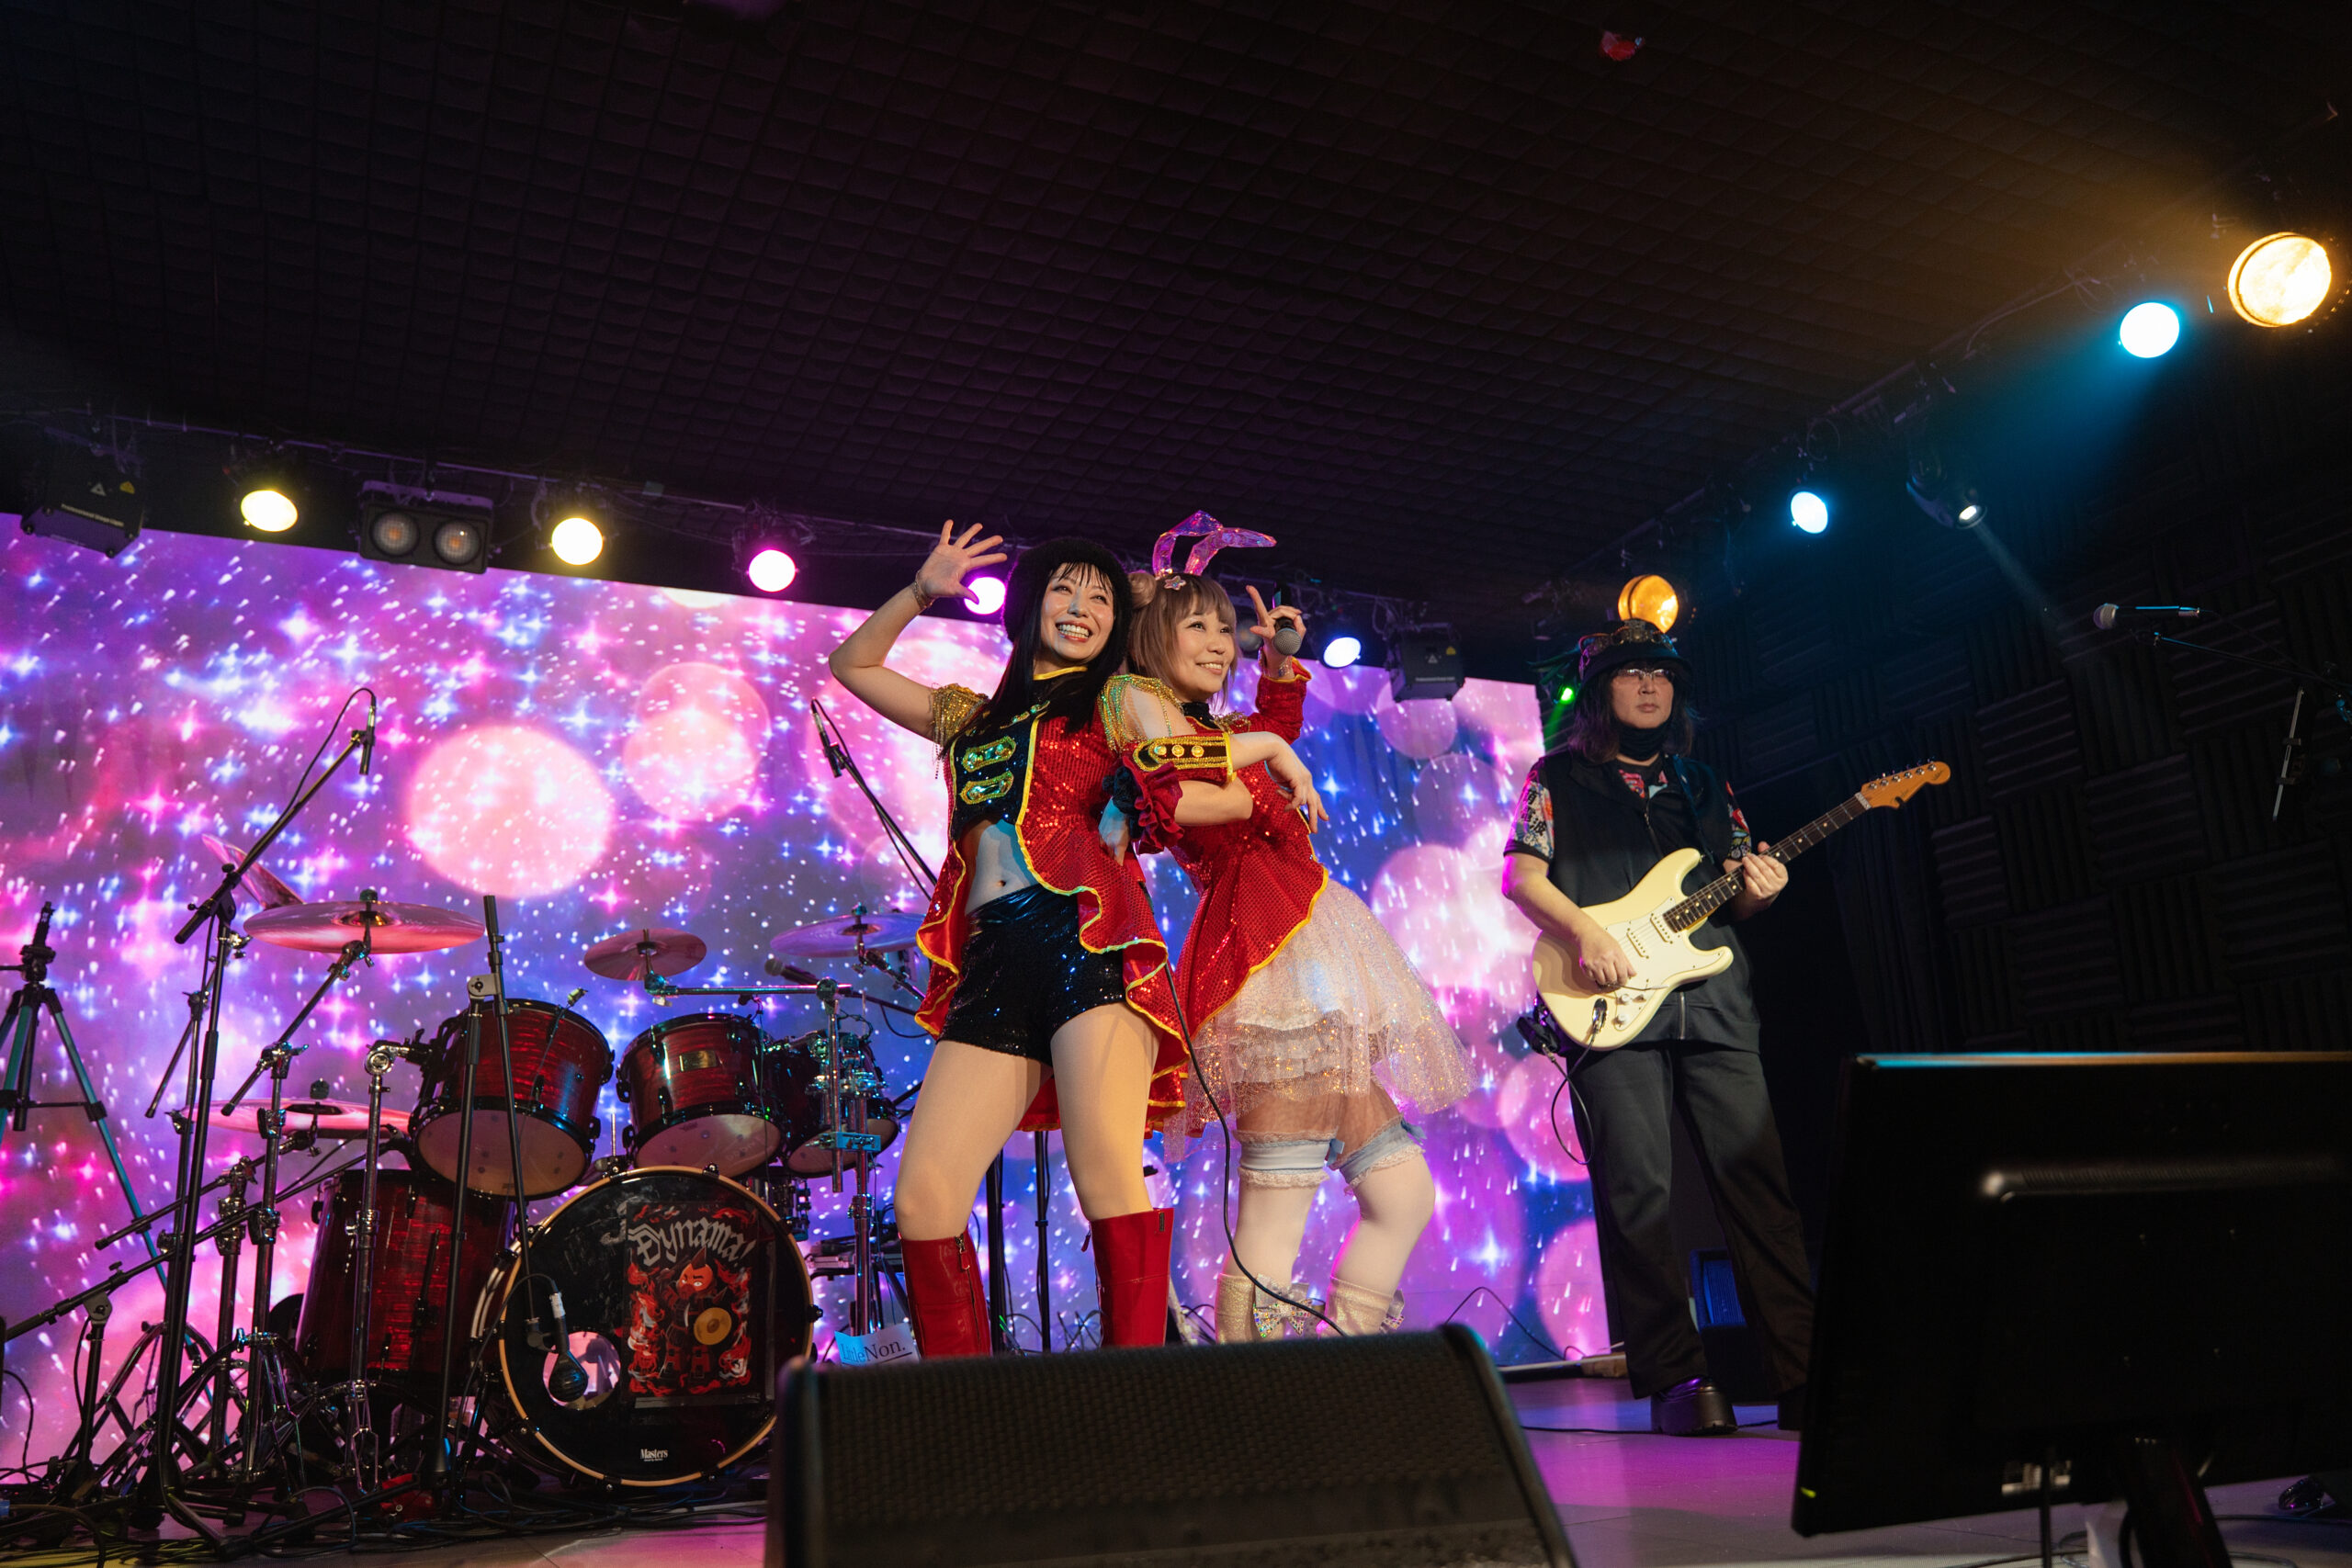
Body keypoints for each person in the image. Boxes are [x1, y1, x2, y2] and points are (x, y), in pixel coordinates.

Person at [828, 525, 1250, 1354]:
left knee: (1107, 1178)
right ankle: (971, 1414)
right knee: (923, 1200)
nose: (1082, 607)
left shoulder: (1119, 700)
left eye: (1100, 596)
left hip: (1088, 942)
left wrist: (1156, 790)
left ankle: (1137, 1403)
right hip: (993, 959)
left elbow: (1221, 779)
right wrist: (922, 590)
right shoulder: (971, 717)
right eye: (1065, 588)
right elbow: (854, 665)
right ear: (1032, 605)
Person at [1103, 573, 1472, 1341]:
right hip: (1261, 952)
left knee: (1402, 1194)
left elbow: (1266, 728)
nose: (1219, 643)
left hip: (1308, 950)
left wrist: (1277, 665)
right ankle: (1257, 1393)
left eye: (1224, 629)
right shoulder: (1139, 705)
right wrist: (1271, 744)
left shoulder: (1217, 729)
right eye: (1197, 627)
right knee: (1276, 1217)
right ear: (1151, 637)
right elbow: (1190, 764)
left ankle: (1342, 1366)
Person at [1498, 617, 1814, 1435]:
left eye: (1663, 673)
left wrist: (1762, 890)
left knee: (1760, 1188)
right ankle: (1677, 1378)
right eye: (1631, 672)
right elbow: (1521, 875)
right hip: (1608, 1002)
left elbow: (1736, 892)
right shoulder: (1555, 776)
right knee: (1639, 1192)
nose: (1650, 685)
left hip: (1715, 1001)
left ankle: (1802, 1371)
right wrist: (1584, 933)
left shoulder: (1703, 783)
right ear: (1598, 690)